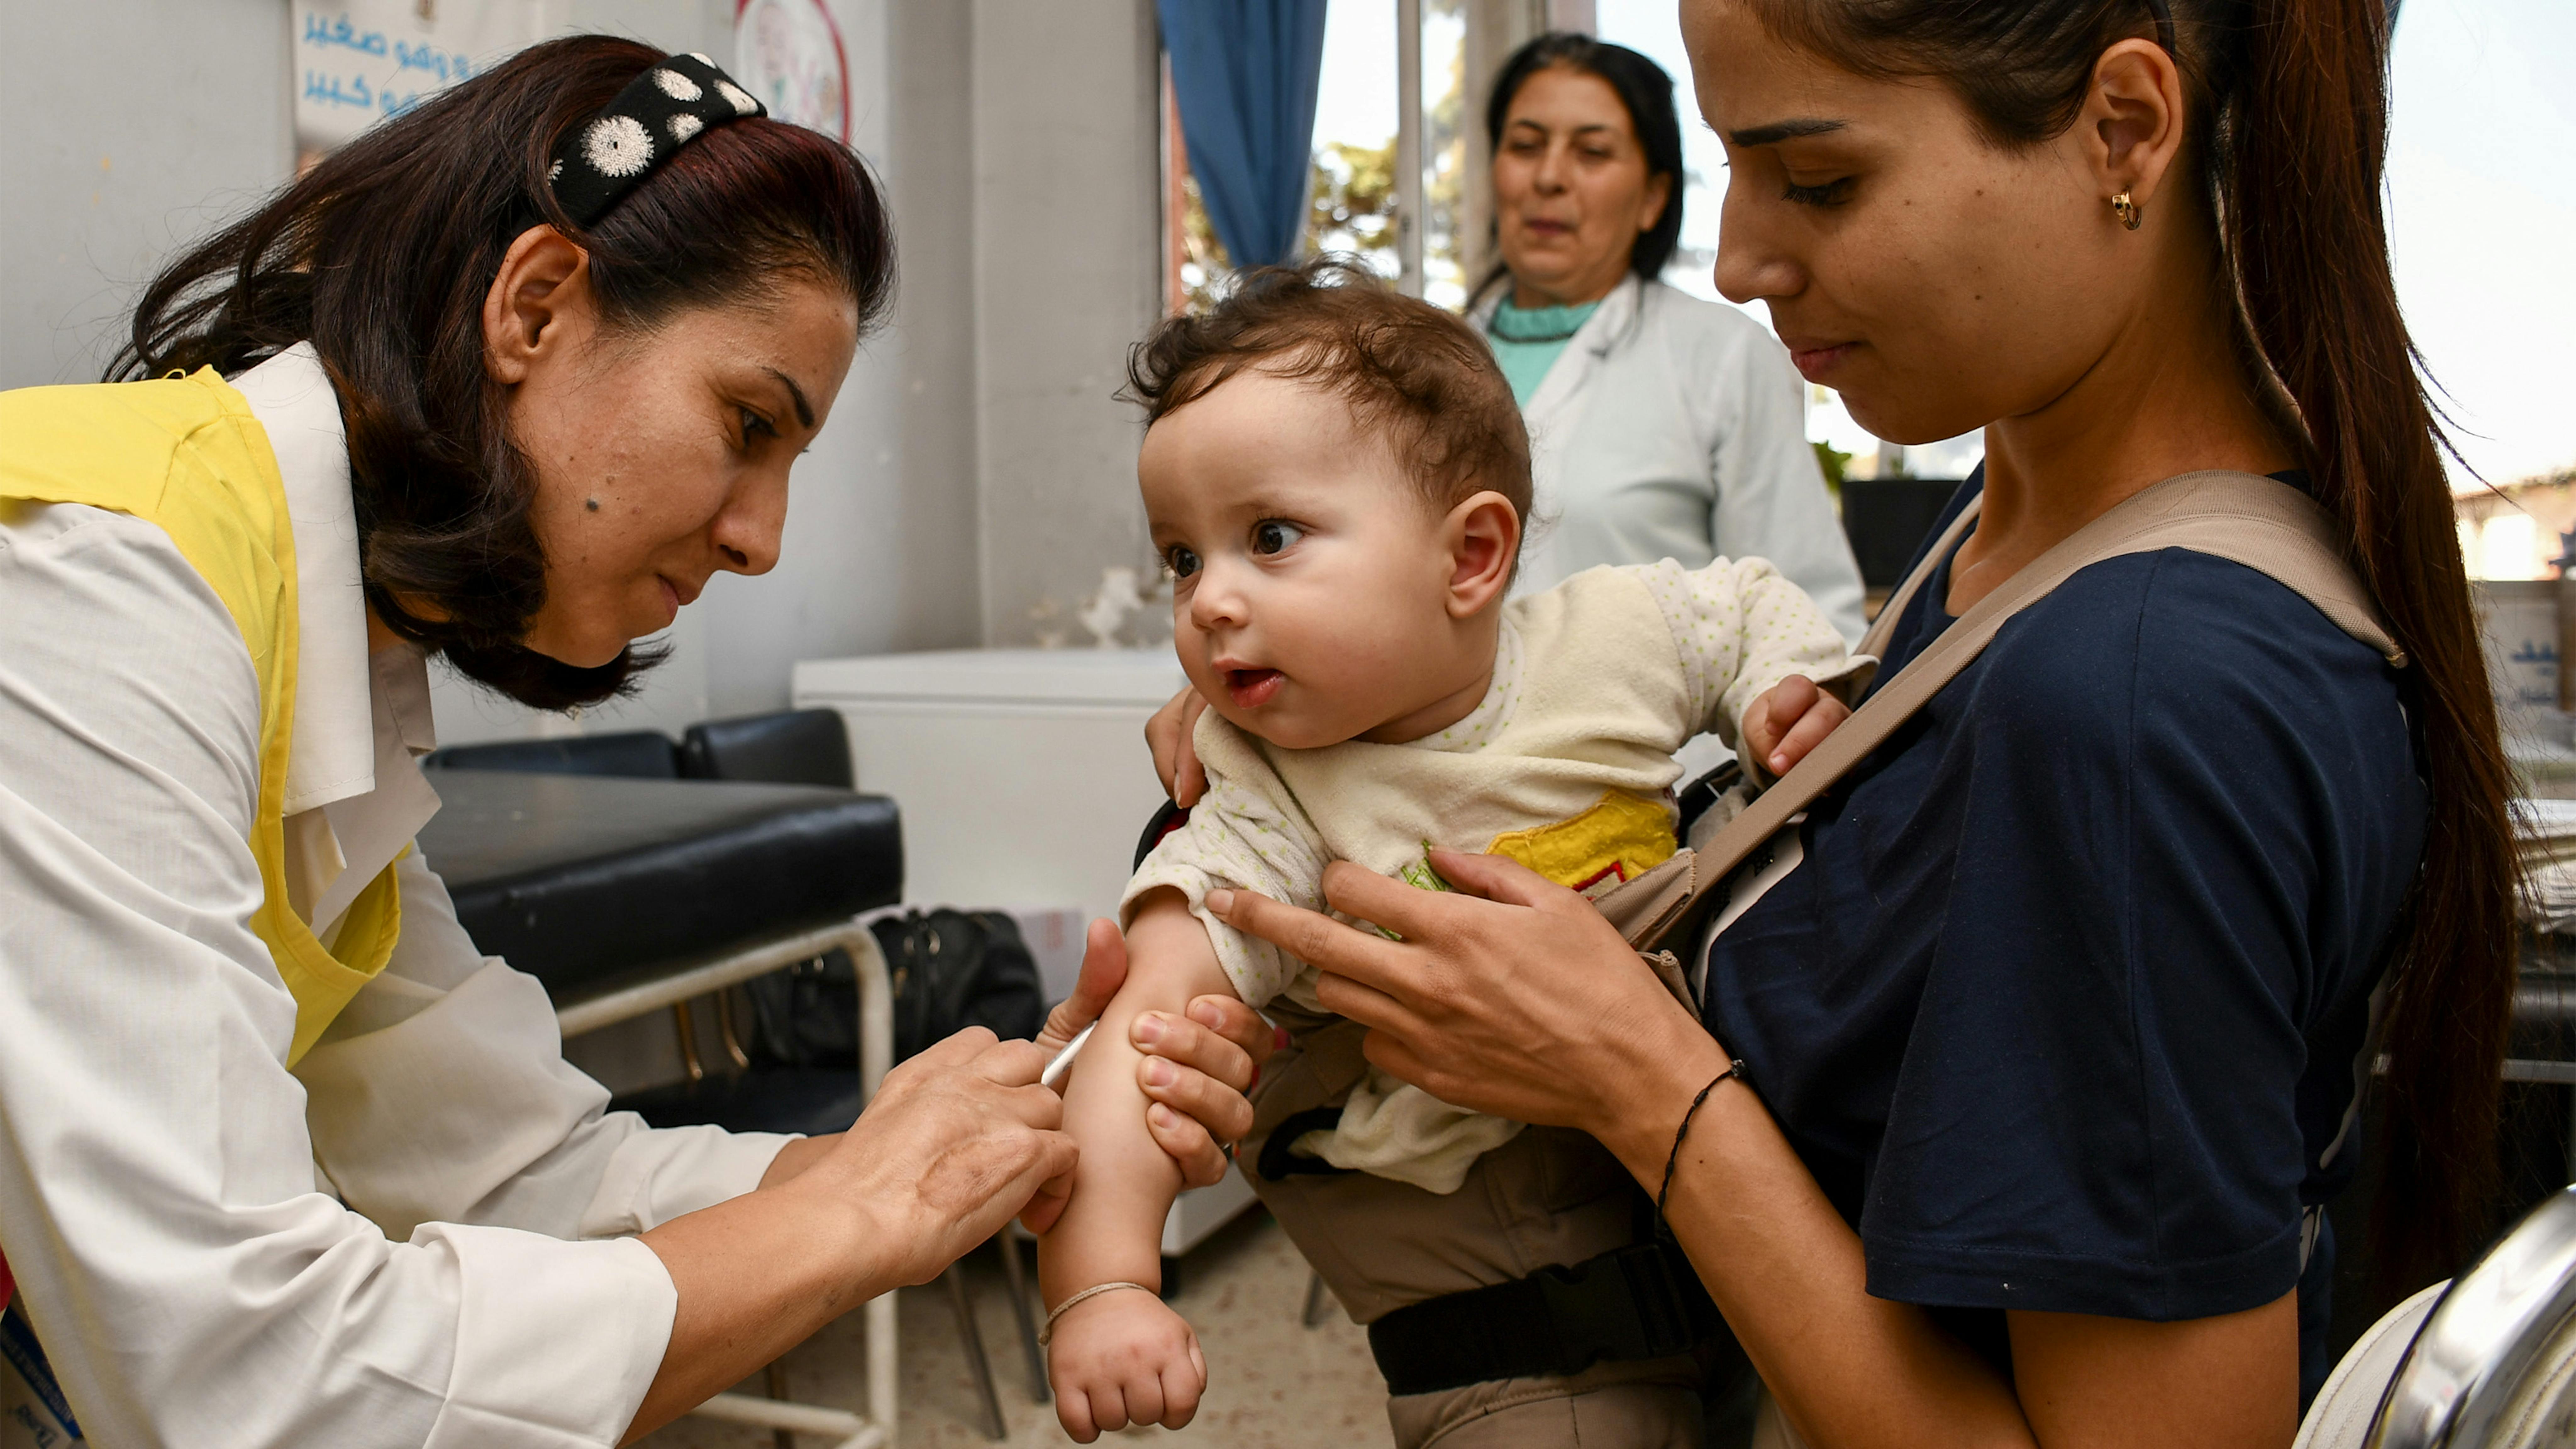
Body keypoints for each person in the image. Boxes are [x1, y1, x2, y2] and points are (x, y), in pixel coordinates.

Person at [1152, 0, 2518, 1444]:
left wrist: (1638, 1075)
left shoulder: (2134, 702)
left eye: (1819, 182)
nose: (1738, 263)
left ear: (2122, 128)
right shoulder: (2006, 538)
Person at [0, 38, 1268, 1449]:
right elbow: (239, 1377)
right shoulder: (93, 584)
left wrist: (946, 1146)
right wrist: (859, 1211)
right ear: (535, 307)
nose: (761, 539)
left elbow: (513, 1167)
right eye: (745, 425)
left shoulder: (320, 634)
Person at [1041, 260, 1857, 1448]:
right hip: (1503, 1271)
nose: (1209, 601)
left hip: (1716, 1166)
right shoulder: (1266, 801)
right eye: (1182, 556)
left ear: (1471, 557)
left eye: (1269, 538)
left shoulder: (1614, 636)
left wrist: (1787, 690)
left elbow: (1743, 607)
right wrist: (1105, 1281)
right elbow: (1140, 1043)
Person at [1473, 33, 1865, 646]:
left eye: (1592, 153)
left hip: (1662, 743)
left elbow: (1804, 611)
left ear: (1654, 196)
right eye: (1525, 146)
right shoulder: (1422, 360)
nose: (1548, 177)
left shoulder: (1723, 355)